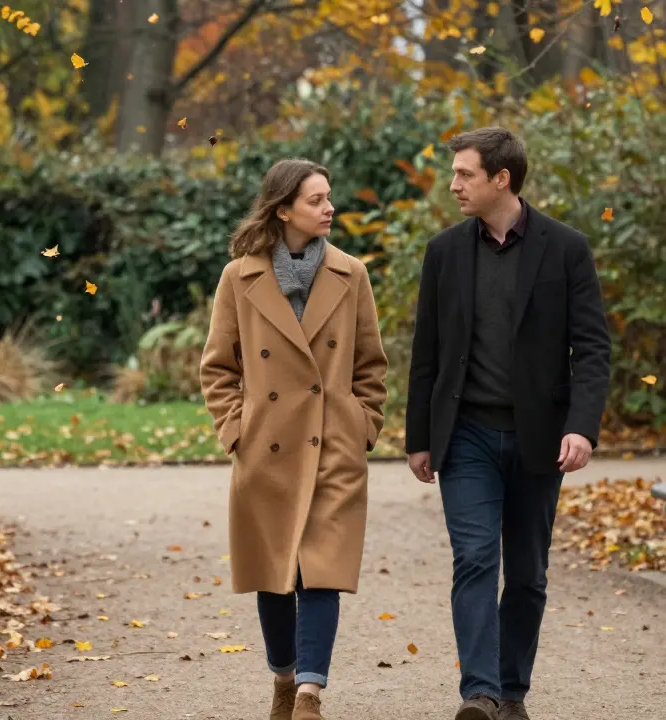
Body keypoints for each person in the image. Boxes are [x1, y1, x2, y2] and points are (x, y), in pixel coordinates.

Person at [405, 127, 612, 720]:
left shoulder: (566, 248)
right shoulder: (444, 252)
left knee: (527, 573)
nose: (453, 185)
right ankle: (480, 693)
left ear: (502, 178)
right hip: (465, 433)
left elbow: (592, 348)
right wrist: (419, 438)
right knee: (474, 558)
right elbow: (428, 353)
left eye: (464, 174)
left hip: (539, 439)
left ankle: (512, 692)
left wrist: (582, 426)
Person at [199, 157, 389, 720]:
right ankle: (283, 677)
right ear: (283, 209)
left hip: (333, 443)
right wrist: (238, 431)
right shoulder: (240, 276)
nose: (329, 207)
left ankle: (309, 692)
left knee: (321, 568)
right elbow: (217, 368)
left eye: (329, 197)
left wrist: (363, 424)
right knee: (276, 573)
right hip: (267, 447)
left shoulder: (352, 274)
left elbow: (370, 365)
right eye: (316, 200)